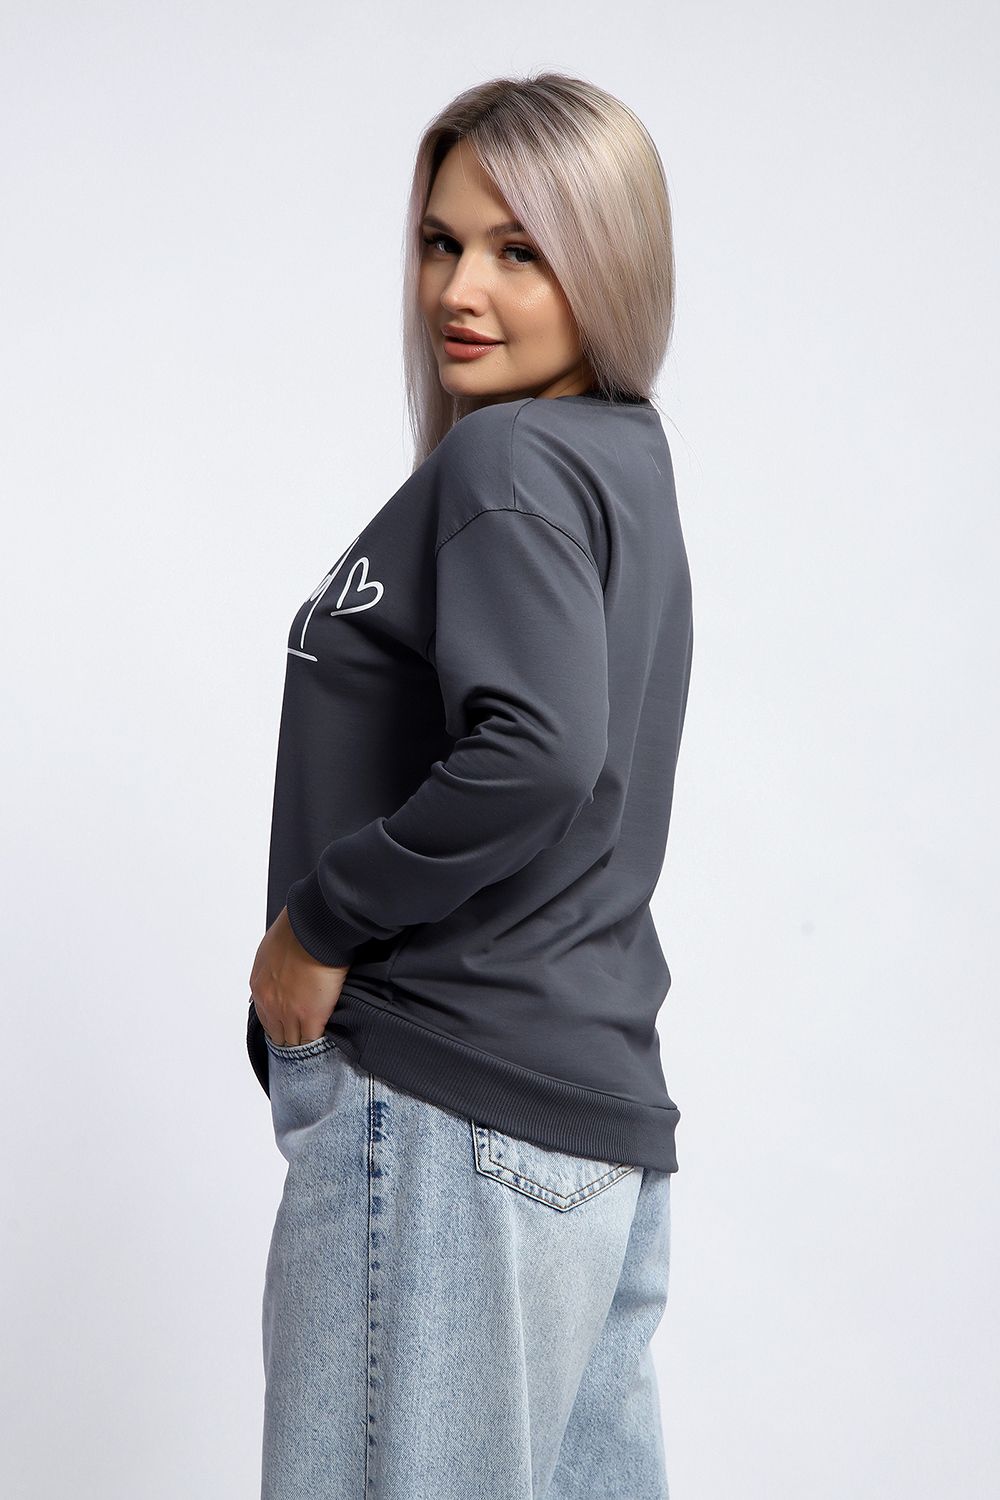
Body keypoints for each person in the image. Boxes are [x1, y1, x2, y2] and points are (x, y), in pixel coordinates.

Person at [246, 71, 694, 1500]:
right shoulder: (616, 462)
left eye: (520, 251)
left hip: (450, 1111)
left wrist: (319, 923)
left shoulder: (507, 461)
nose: (460, 289)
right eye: (442, 242)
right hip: (584, 1126)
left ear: (606, 264)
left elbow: (540, 754)